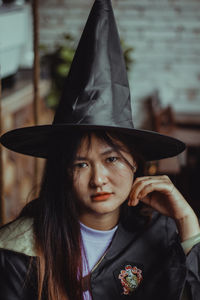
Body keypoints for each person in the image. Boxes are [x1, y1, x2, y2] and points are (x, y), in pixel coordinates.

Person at [0, 1, 200, 300]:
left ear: (135, 161)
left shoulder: (160, 233)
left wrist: (188, 225)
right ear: (62, 171)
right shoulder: (18, 248)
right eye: (80, 164)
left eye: (112, 159)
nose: (99, 179)